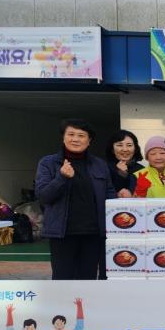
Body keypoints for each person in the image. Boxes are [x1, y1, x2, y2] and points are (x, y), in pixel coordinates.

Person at [35, 119, 116, 280]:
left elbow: (110, 194)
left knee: (87, 278)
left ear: (89, 140)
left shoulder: (99, 164)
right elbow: (43, 196)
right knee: (62, 279)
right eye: (71, 134)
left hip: (93, 233)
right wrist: (61, 177)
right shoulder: (48, 163)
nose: (75, 139)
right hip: (62, 234)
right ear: (63, 138)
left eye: (81, 135)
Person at [105, 130, 143, 199]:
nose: (125, 149)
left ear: (135, 148)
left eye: (129, 145)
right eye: (120, 145)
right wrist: (121, 175)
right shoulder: (104, 168)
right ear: (112, 149)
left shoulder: (141, 170)